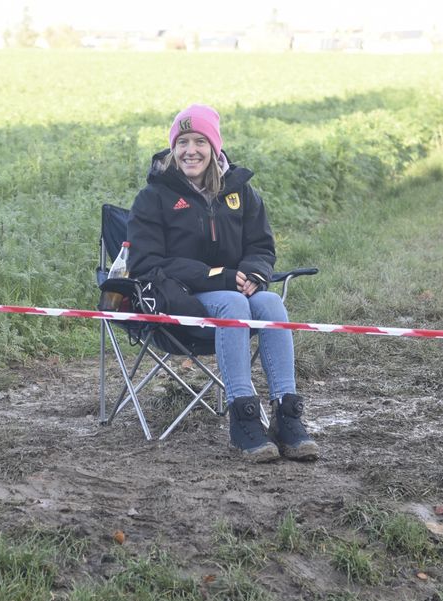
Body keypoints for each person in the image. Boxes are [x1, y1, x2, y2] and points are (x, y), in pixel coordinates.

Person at [127, 103, 319, 463]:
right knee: (234, 304)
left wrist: (255, 273)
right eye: (182, 142)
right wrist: (219, 277)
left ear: (214, 147)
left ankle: (287, 415)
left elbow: (261, 246)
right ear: (173, 148)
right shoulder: (154, 197)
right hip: (179, 300)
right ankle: (243, 418)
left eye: (200, 141)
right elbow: (146, 263)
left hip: (236, 292)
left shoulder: (241, 191)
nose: (190, 151)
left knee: (271, 303)